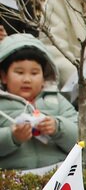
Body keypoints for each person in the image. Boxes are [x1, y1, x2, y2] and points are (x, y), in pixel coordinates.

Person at [0, 35, 78, 170]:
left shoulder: (57, 101)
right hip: (14, 183)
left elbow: (82, 140)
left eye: (34, 73)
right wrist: (12, 137)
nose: (27, 79)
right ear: (4, 76)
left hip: (57, 178)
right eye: (19, 72)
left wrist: (58, 128)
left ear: (44, 76)